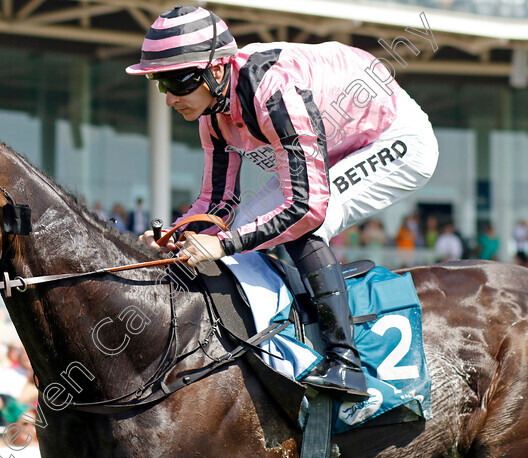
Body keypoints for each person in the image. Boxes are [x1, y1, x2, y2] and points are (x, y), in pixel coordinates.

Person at [129, 6, 439, 399]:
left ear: (217, 71)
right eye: (160, 84)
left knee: (300, 227)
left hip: (394, 138)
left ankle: (347, 362)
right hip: (337, 141)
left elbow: (306, 209)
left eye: (178, 82)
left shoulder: (272, 91)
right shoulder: (214, 113)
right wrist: (179, 233)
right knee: (241, 230)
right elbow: (218, 201)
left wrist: (220, 243)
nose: (170, 98)